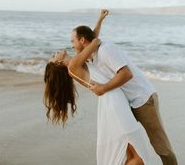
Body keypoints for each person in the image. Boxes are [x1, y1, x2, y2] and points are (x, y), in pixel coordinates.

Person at [71, 10, 178, 165]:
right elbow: (93, 35)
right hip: (127, 102)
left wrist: (103, 88)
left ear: (82, 40)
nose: (72, 46)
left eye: (72, 42)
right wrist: (100, 19)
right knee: (123, 140)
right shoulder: (92, 55)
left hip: (143, 99)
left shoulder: (106, 50)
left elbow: (127, 74)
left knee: (160, 146)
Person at [44, 13, 153, 165]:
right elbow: (93, 42)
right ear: (57, 64)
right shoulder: (73, 65)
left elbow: (88, 41)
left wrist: (100, 20)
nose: (56, 53)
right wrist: (94, 39)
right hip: (112, 100)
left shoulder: (76, 61)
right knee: (135, 148)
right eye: (54, 56)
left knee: (129, 148)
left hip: (111, 98)